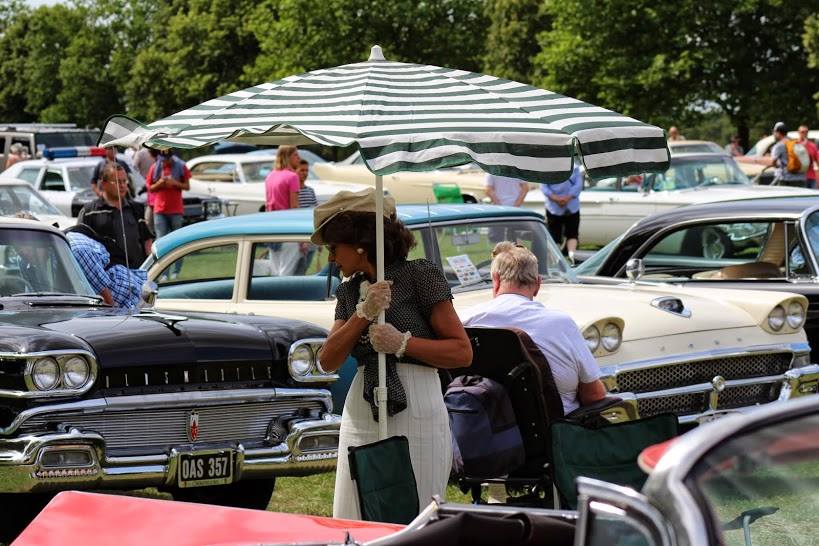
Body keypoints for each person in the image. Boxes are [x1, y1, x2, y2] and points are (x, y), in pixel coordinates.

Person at [314, 188, 472, 521]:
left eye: (333, 247)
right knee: (356, 508)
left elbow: (462, 351)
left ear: (360, 243)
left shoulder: (420, 275)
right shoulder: (348, 291)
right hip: (364, 403)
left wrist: (403, 343)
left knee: (417, 512)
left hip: (417, 399)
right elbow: (328, 360)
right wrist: (363, 313)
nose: (330, 258)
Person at [459, 242, 606, 414]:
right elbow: (593, 395)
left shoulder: (466, 320)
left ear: (496, 280)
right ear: (537, 284)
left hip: (486, 430)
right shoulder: (562, 324)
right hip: (557, 431)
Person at [77, 163, 153, 268]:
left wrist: (150, 267)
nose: (122, 186)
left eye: (124, 181)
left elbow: (147, 241)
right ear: (103, 184)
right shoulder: (89, 212)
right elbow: (80, 248)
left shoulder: (136, 208)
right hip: (106, 279)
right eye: (117, 182)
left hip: (137, 274)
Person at [65, 224, 148, 308]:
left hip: (130, 300)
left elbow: (107, 302)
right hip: (123, 295)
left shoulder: (76, 251)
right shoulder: (63, 243)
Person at [541, 164, 583, 264]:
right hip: (569, 205)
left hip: (556, 206)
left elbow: (544, 187)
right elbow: (578, 185)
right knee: (571, 233)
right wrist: (566, 198)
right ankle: (571, 256)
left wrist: (557, 199)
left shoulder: (546, 168)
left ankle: (558, 258)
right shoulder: (575, 167)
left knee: (556, 234)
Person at [146, 148, 190, 238]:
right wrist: (160, 183)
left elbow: (187, 186)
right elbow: (150, 188)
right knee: (160, 238)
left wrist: (175, 183)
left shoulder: (181, 166)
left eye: (167, 159)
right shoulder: (155, 167)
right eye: (163, 160)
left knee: (177, 238)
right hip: (159, 209)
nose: (165, 162)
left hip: (176, 209)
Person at [764, 122, 807, 187]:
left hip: (786, 179)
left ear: (778, 133)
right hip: (800, 177)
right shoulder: (794, 142)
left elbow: (772, 162)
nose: (773, 134)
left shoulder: (779, 145)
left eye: (774, 132)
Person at [265, 146, 301, 211]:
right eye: (295, 155)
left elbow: (267, 205)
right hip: (286, 218)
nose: (299, 158)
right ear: (287, 157)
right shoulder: (293, 176)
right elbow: (294, 206)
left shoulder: (269, 176)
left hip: (270, 218)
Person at [798, 125, 818, 189]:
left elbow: (817, 161)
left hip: (811, 176)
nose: (804, 133)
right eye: (802, 132)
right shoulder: (795, 145)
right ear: (798, 132)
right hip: (799, 177)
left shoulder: (812, 146)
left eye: (806, 132)